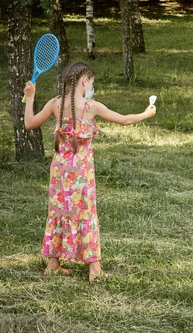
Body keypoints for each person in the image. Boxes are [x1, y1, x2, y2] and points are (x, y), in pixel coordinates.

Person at [23, 62, 156, 282]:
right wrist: (146, 113)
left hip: (59, 170)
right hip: (81, 172)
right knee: (86, 214)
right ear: (85, 81)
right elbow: (124, 120)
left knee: (58, 212)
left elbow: (29, 123)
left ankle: (53, 264)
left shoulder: (55, 104)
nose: (92, 87)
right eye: (91, 83)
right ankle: (94, 270)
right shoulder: (91, 107)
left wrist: (30, 97)